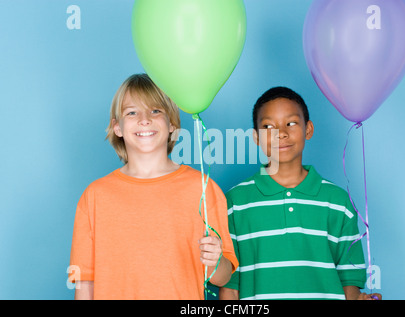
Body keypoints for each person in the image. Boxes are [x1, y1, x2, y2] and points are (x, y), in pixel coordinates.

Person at [69, 73, 238, 299]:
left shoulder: (203, 189)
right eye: (132, 112)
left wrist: (216, 262)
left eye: (155, 110)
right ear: (117, 127)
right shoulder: (95, 196)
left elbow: (224, 277)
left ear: (172, 124)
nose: (144, 119)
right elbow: (85, 283)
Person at [219, 87, 381, 300]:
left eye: (291, 123)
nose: (281, 133)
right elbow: (229, 287)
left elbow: (349, 280)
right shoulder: (235, 202)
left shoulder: (338, 202)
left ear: (308, 129)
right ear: (256, 137)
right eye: (268, 126)